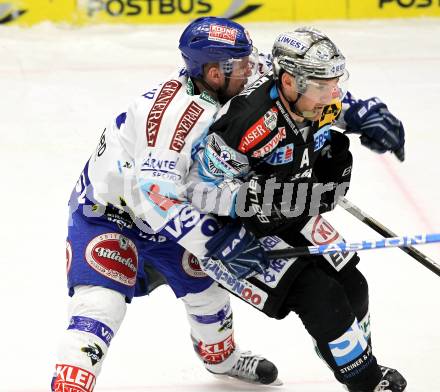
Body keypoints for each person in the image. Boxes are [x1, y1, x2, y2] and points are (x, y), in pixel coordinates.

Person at [51, 17, 280, 392]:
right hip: (111, 217)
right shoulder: (176, 117)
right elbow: (156, 200)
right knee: (99, 311)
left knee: (208, 295)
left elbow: (287, 78)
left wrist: (345, 108)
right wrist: (217, 243)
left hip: (167, 210)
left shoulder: (221, 83)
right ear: (214, 73)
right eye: (240, 65)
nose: (250, 70)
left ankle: (221, 360)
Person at [185, 27, 407, 392]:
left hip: (288, 210)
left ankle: (347, 355)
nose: (332, 94)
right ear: (289, 81)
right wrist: (248, 200)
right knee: (324, 299)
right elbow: (197, 188)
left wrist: (364, 115)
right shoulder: (249, 121)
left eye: (335, 83)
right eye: (323, 86)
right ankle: (366, 382)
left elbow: (338, 108)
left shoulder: (310, 98)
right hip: (236, 234)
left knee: (354, 285)